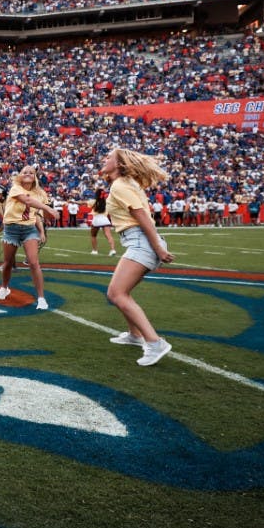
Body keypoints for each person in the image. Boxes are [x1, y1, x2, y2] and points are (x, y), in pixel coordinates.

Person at [100, 147, 175, 367]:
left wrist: (158, 248)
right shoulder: (125, 184)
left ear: (120, 164)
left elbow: (142, 216)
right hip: (139, 240)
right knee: (122, 292)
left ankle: (154, 342)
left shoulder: (120, 185)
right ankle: (135, 335)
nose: (104, 160)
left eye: (109, 157)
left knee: (116, 293)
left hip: (141, 241)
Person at [0, 165, 58, 309]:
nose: (28, 174)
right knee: (8, 263)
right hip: (11, 228)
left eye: (31, 172)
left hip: (29, 229)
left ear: (35, 176)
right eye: (25, 172)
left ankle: (41, 298)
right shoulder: (15, 188)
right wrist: (47, 208)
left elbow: (36, 215)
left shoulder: (40, 193)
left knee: (34, 262)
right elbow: (28, 201)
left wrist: (44, 223)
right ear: (20, 175)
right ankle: (4, 287)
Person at [88, 190, 117, 256]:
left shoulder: (94, 202)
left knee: (93, 236)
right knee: (109, 236)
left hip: (96, 219)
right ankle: (113, 250)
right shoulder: (107, 202)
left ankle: (95, 251)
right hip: (105, 219)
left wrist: (73, 201)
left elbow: (82, 202)